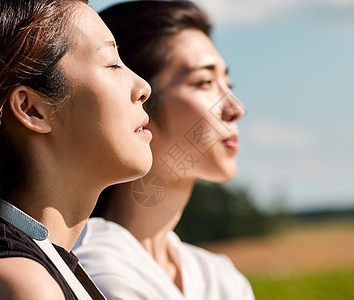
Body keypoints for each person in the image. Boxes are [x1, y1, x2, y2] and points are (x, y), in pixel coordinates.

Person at [0, 0, 152, 299]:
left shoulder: (45, 266)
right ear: (32, 109)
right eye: (112, 63)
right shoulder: (21, 284)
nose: (143, 87)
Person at [73, 1, 255, 299]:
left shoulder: (220, 277)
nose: (235, 109)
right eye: (204, 82)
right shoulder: (96, 272)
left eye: (229, 83)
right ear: (137, 98)